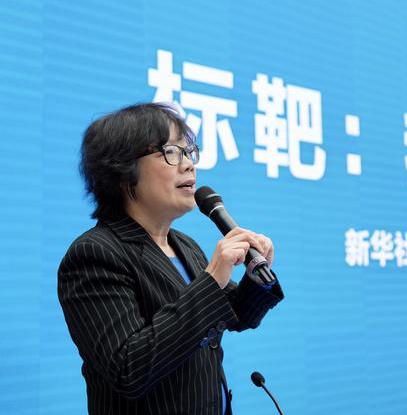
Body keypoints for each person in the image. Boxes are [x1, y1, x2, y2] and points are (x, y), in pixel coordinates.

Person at [57, 102, 284, 414]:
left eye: (189, 152)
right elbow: (129, 368)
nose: (188, 164)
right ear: (123, 169)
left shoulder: (185, 245)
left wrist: (256, 276)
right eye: (171, 152)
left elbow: (233, 314)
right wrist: (212, 280)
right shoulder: (95, 254)